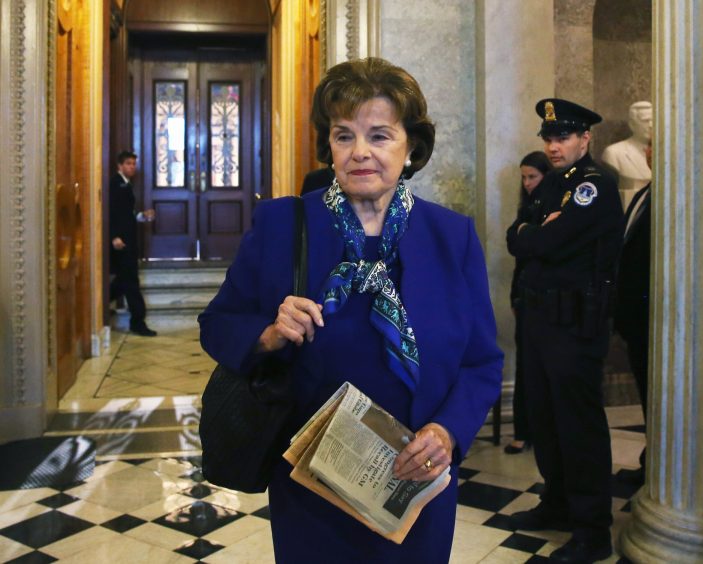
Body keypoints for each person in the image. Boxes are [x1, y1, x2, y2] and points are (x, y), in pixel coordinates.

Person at [199, 57, 503, 563]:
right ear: (330, 146)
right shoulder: (281, 225)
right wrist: (270, 333)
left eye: (380, 135)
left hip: (415, 483)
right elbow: (218, 324)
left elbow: (481, 361)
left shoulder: (452, 237)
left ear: (411, 148)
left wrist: (447, 430)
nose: (360, 152)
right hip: (312, 486)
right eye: (345, 136)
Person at [506, 98, 624, 563]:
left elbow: (547, 241)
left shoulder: (594, 187)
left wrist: (537, 235)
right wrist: (535, 233)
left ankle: (593, 532)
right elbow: (517, 236)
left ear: (584, 139)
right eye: (549, 139)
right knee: (545, 418)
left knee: (578, 427)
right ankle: (556, 504)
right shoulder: (554, 183)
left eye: (563, 138)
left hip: (574, 324)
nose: (553, 147)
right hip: (540, 320)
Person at [505, 151, 551, 455]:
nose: (527, 182)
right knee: (524, 366)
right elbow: (513, 240)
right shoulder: (530, 206)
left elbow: (543, 243)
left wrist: (527, 234)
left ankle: (542, 430)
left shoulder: (555, 201)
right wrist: (526, 232)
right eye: (524, 177)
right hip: (524, 295)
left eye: (532, 176)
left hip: (547, 298)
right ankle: (523, 430)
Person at [614, 141, 652, 484]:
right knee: (648, 394)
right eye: (650, 146)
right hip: (636, 322)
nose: (651, 152)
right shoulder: (645, 193)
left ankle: (655, 461)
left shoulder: (670, 196)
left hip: (654, 321)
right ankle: (651, 457)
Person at [109, 150, 157, 337]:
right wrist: (114, 236)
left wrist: (142, 216)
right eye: (128, 163)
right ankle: (138, 321)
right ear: (120, 165)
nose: (132, 167)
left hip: (127, 240)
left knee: (124, 281)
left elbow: (127, 214)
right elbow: (111, 213)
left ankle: (102, 302)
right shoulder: (116, 184)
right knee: (130, 282)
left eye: (134, 164)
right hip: (121, 242)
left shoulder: (126, 185)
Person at [601, 101, 653, 210]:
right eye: (645, 121)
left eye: (654, 120)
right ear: (632, 124)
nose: (651, 125)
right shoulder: (614, 153)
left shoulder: (666, 154)